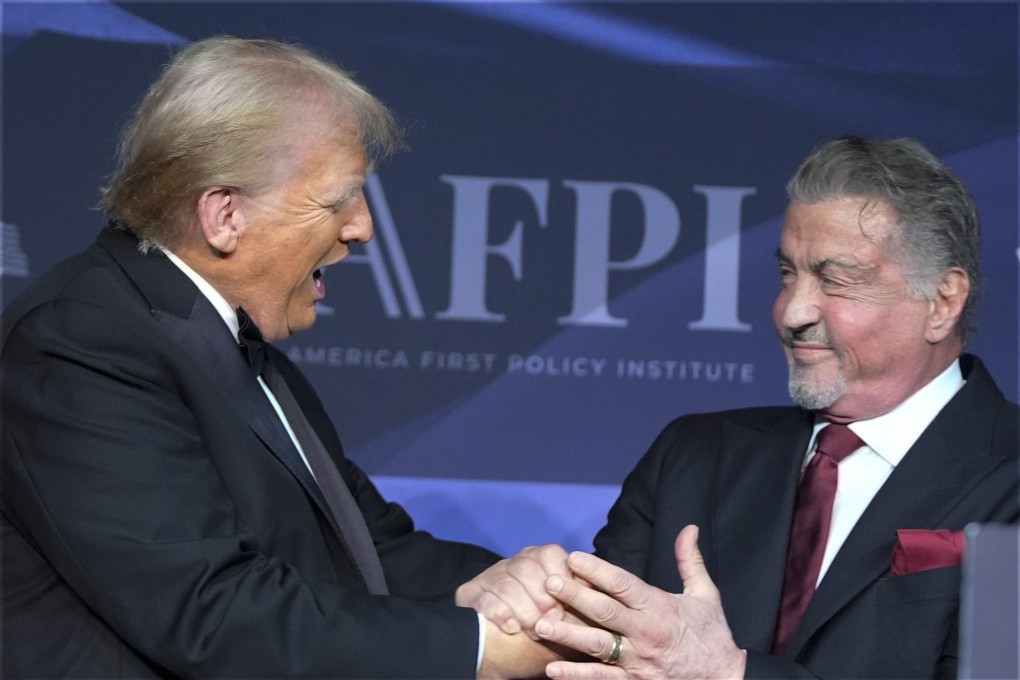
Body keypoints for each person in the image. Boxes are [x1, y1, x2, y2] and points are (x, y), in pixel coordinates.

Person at [0, 36, 560, 679]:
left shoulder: (236, 350)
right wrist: (481, 649)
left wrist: (505, 587)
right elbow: (207, 610)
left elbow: (370, 548)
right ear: (224, 215)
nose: (362, 228)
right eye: (337, 199)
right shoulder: (79, 342)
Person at [458, 136, 1019, 679]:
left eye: (836, 279)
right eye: (787, 274)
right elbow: (589, 655)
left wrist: (729, 675)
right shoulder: (695, 456)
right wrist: (532, 601)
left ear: (943, 301)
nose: (793, 311)